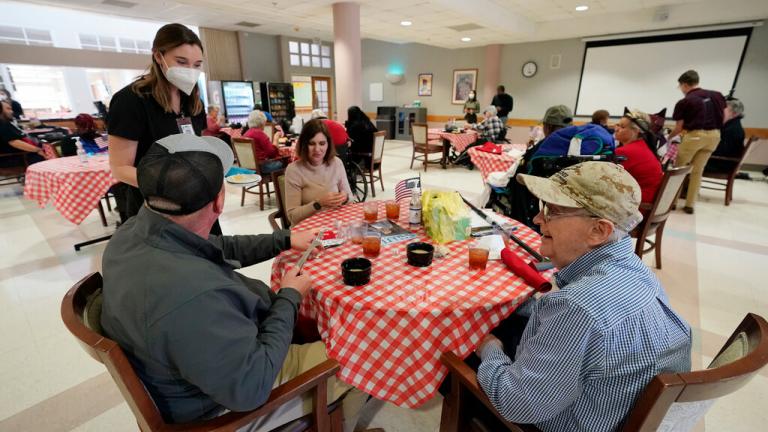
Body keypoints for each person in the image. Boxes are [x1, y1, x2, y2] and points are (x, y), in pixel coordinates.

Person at [100, 133, 372, 432]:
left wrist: (284, 239)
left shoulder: (131, 233)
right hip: (219, 411)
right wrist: (289, 297)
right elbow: (251, 387)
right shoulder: (195, 296)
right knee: (361, 355)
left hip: (183, 373)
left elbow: (217, 246)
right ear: (219, 200)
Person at [474, 161, 691, 432]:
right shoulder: (637, 271)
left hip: (569, 422)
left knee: (468, 353)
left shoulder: (576, 307)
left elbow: (516, 403)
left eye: (552, 211)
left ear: (599, 231)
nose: (538, 219)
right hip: (615, 407)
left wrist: (489, 348)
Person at [106, 23, 213, 228]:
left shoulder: (193, 98)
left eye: (197, 65)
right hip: (152, 206)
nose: (190, 71)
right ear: (158, 56)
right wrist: (168, 185)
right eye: (181, 62)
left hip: (195, 200)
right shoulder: (131, 100)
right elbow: (120, 168)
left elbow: (197, 146)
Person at [669, 70, 726, 214]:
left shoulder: (686, 101)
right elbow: (724, 118)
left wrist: (668, 138)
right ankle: (690, 204)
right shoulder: (717, 95)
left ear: (684, 84)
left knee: (679, 170)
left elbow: (679, 128)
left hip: (694, 136)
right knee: (697, 171)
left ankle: (672, 202)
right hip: (714, 136)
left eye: (680, 86)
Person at [285, 119, 352, 225]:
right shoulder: (294, 170)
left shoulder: (336, 163)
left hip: (334, 224)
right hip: (307, 230)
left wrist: (345, 197)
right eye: (311, 143)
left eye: (322, 143)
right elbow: (292, 217)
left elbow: (350, 199)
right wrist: (319, 203)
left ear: (328, 144)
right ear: (304, 145)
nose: (317, 149)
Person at [614, 110, 663, 218]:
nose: (616, 129)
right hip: (645, 208)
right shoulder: (644, 147)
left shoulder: (625, 152)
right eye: (617, 124)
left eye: (622, 127)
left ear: (636, 131)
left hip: (634, 211)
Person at [706, 97, 746, 174]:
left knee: (690, 162)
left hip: (722, 165)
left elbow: (720, 151)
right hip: (722, 162)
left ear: (734, 114)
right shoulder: (732, 125)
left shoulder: (732, 130)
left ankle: (688, 185)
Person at [0, 100, 46, 167]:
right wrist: (38, 150)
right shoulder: (2, 124)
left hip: (22, 154)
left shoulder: (6, 123)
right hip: (17, 157)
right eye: (8, 109)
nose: (12, 111)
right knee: (52, 154)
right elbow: (15, 142)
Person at [243, 109, 285, 174]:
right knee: (286, 163)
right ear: (262, 122)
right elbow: (272, 153)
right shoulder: (259, 134)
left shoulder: (246, 134)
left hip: (248, 167)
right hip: (262, 166)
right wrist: (276, 139)